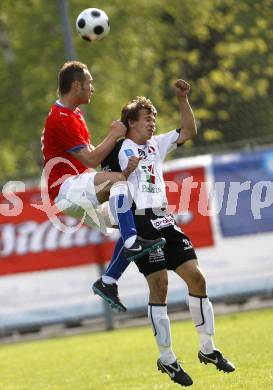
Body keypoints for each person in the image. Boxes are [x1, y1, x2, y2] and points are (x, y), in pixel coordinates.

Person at [92, 80, 235, 386]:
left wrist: (183, 100)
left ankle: (208, 349)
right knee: (160, 286)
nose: (152, 123)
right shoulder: (119, 147)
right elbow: (103, 185)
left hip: (164, 219)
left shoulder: (156, 144)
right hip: (140, 220)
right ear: (130, 123)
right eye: (147, 118)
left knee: (197, 279)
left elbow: (189, 131)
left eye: (154, 118)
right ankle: (167, 358)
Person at [41, 61, 165, 260]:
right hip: (66, 190)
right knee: (119, 184)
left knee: (135, 219)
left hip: (77, 186)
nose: (92, 87)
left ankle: (108, 280)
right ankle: (132, 243)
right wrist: (114, 136)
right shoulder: (61, 117)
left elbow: (91, 153)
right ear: (76, 85)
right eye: (89, 82)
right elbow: (91, 159)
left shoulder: (73, 114)